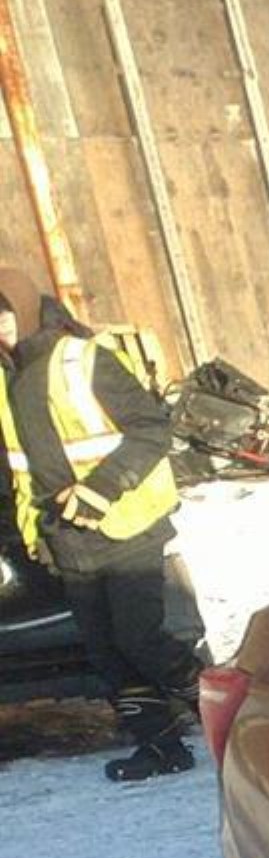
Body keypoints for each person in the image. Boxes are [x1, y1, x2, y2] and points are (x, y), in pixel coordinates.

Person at [0, 271, 206, 782]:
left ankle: (239, 719)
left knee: (141, 640)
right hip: (65, 539)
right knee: (108, 653)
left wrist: (101, 488)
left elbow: (151, 428)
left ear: (25, 309)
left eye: (3, 314)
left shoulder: (81, 359)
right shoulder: (6, 377)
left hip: (125, 525)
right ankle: (160, 746)